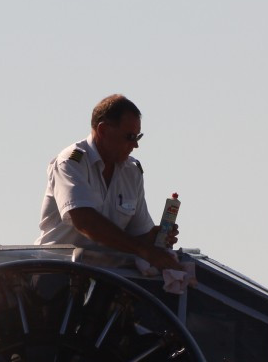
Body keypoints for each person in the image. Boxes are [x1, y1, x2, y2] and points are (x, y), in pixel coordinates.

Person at [36, 94, 179, 271]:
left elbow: (136, 235)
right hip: (56, 272)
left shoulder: (132, 172)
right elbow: (85, 222)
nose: (135, 145)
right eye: (129, 137)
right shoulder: (71, 162)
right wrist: (144, 249)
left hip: (107, 278)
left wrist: (155, 239)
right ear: (103, 130)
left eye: (138, 137)